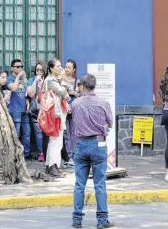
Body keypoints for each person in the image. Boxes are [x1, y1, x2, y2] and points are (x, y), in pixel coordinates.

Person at [71, 74, 114, 229]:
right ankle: (102, 220)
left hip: (81, 143)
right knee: (100, 184)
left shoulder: (75, 103)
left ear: (82, 86)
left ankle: (77, 219)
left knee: (79, 184)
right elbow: (110, 124)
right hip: (98, 143)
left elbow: (74, 121)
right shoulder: (103, 103)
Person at [40, 59, 70, 179]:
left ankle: (50, 166)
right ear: (51, 68)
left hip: (57, 113)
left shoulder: (54, 80)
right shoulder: (51, 80)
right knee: (56, 141)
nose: (60, 68)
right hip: (55, 114)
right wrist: (63, 80)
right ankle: (53, 166)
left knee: (55, 140)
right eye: (58, 66)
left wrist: (64, 86)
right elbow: (63, 91)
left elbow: (66, 91)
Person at [6, 59, 31, 159]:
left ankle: (26, 153)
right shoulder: (9, 79)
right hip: (14, 109)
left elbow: (26, 94)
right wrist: (19, 76)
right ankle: (14, 154)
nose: (20, 68)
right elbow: (14, 88)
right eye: (17, 67)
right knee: (16, 132)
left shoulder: (24, 79)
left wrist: (27, 104)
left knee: (27, 132)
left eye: (21, 66)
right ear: (12, 68)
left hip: (24, 109)